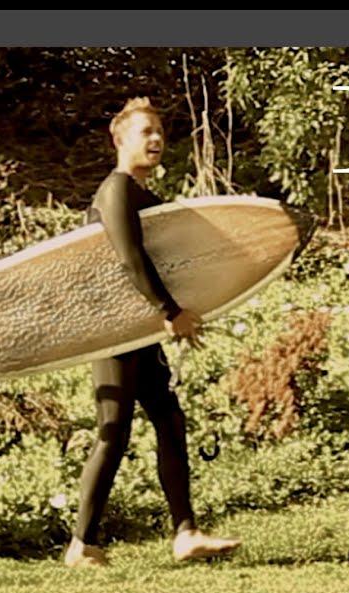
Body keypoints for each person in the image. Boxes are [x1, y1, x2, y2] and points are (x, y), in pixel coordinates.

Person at [63, 97, 241, 567]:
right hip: (114, 328)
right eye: (146, 131)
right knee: (114, 429)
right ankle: (82, 543)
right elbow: (130, 259)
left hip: (141, 327)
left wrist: (179, 310)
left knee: (169, 419)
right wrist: (169, 310)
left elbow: (170, 260)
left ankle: (186, 533)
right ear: (119, 139)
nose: (157, 138)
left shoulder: (147, 198)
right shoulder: (117, 190)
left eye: (160, 130)